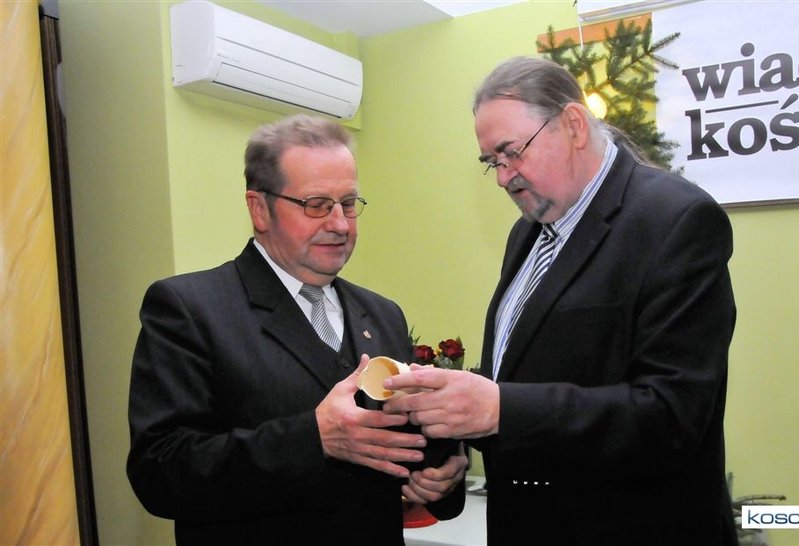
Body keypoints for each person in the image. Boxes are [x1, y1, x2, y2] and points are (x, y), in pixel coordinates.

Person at [384, 56, 738, 545]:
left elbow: (672, 416)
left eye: (511, 153)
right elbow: (528, 374)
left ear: (573, 124)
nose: (503, 177)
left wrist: (499, 410)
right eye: (492, 162)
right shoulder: (527, 234)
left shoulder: (675, 219)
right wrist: (457, 432)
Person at [127, 114, 466, 545]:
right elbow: (160, 472)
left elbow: (406, 442)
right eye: (317, 205)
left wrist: (444, 470)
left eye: (348, 204)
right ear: (259, 208)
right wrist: (313, 439)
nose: (340, 224)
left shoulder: (383, 314)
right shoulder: (189, 309)